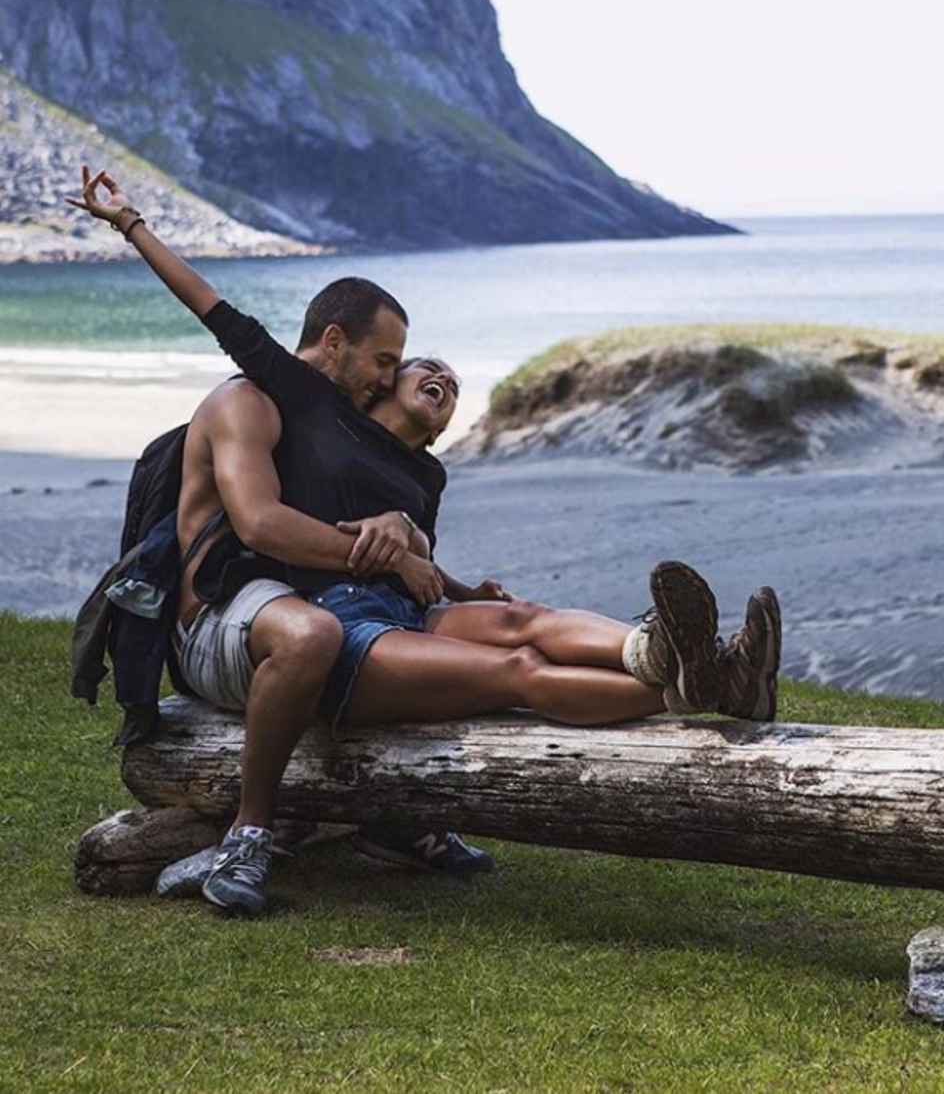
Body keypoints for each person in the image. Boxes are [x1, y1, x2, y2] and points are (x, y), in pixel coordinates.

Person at [69, 168, 781, 915]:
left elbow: (410, 554)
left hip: (332, 605)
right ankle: (251, 832)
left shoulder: (376, 445)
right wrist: (130, 223)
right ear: (336, 343)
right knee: (507, 667)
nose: (389, 378)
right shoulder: (274, 398)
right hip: (247, 613)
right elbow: (222, 329)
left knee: (521, 623)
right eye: (388, 362)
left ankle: (686, 666)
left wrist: (420, 551)